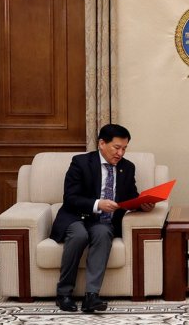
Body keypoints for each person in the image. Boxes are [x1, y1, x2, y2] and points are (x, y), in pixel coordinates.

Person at [51, 123, 154, 313]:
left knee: (103, 233)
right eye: (117, 147)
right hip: (75, 216)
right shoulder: (81, 162)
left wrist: (142, 204)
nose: (120, 153)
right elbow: (70, 198)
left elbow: (130, 196)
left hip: (101, 222)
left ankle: (92, 296)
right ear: (102, 143)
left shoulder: (127, 167)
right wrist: (98, 204)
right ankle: (63, 293)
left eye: (124, 148)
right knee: (79, 235)